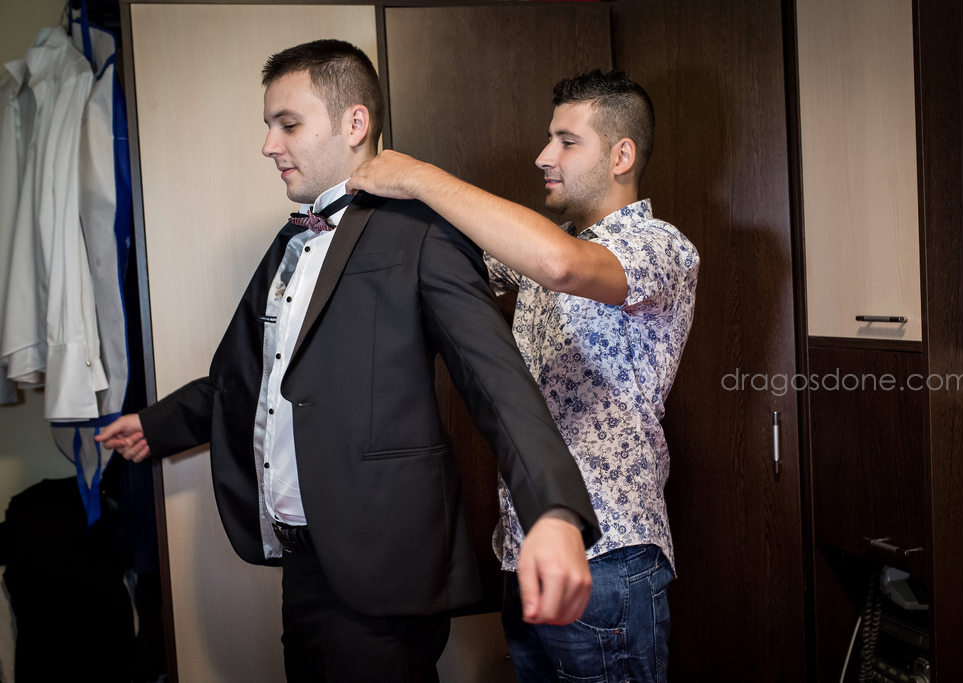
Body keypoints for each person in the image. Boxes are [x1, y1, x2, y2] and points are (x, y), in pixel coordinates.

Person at [95, 40, 601, 683]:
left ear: (354, 123)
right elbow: (247, 380)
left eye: (288, 124)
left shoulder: (422, 232)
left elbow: (496, 383)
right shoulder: (290, 243)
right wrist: (156, 425)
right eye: (268, 126)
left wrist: (553, 511)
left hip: (382, 563)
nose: (269, 145)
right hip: (301, 559)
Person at [349, 69, 699, 682]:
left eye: (567, 141)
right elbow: (455, 265)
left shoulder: (659, 247)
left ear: (621, 156)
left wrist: (417, 176)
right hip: (523, 547)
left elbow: (560, 265)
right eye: (549, 137)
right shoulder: (547, 243)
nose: (544, 156)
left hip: (608, 556)